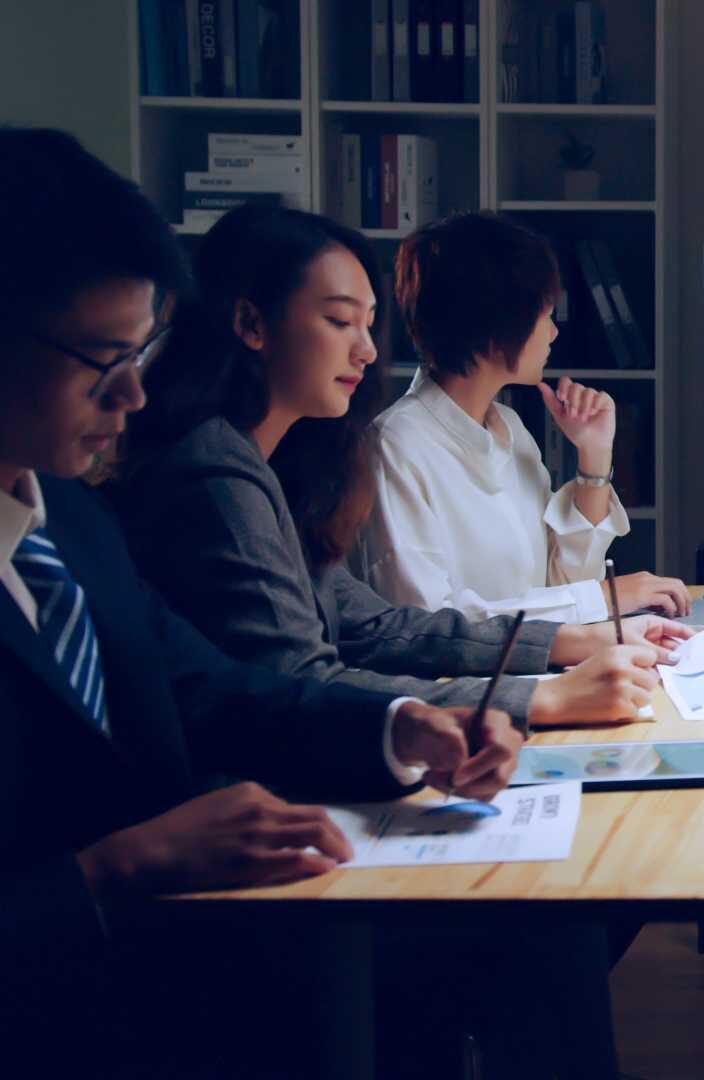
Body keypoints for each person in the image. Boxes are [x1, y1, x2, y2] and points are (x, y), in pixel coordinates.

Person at [0, 127, 521, 1074]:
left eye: (141, 350)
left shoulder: (65, 520)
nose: (133, 393)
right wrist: (118, 869)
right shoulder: (203, 472)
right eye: (101, 357)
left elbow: (213, 687)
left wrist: (399, 726)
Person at [117, 205, 685, 731]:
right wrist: (549, 693)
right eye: (340, 322)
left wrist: (575, 641)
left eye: (368, 325)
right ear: (251, 324)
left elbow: (381, 627)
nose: (367, 350)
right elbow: (304, 680)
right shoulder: (219, 474)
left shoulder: (274, 469)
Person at [358, 212, 691, 623]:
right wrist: (604, 598)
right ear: (498, 323)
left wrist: (594, 456)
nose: (553, 332)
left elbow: (562, 591)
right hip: (464, 686)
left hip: (537, 673)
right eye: (545, 314)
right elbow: (427, 627)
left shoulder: (510, 429)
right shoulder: (395, 447)